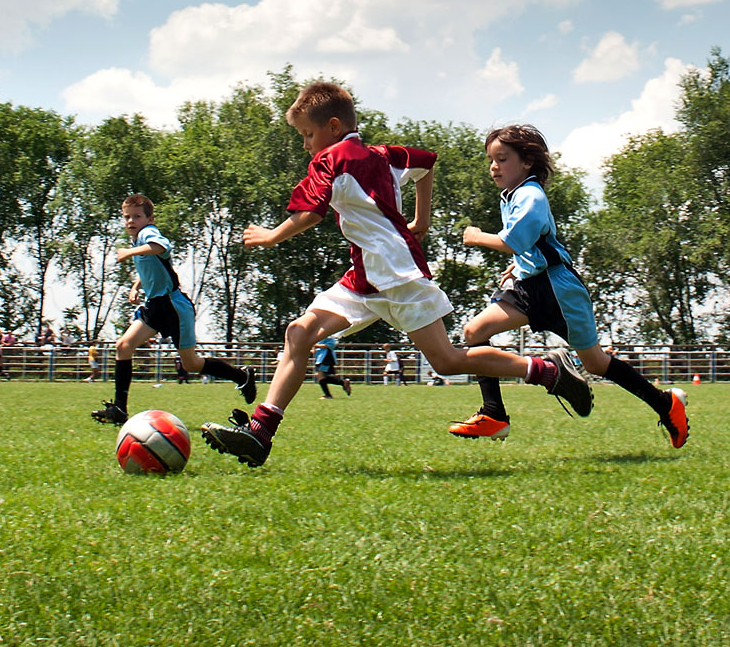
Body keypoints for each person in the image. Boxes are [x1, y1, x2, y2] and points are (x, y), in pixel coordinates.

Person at [200, 81, 592, 467]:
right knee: (299, 333)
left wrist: (272, 236)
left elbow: (311, 212)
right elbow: (425, 163)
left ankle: (545, 370)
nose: (305, 144)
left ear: (333, 128)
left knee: (448, 362)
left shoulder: (330, 160)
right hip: (364, 278)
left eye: (307, 134)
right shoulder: (384, 155)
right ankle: (260, 433)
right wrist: (422, 218)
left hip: (400, 277)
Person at [448, 124, 689, 446]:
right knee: (474, 333)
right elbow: (535, 244)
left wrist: (476, 237)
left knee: (596, 363)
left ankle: (665, 403)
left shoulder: (530, 195)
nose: (494, 166)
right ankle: (494, 414)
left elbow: (516, 240)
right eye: (491, 160)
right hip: (530, 285)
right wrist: (518, 266)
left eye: (502, 159)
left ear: (527, 162)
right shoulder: (513, 195)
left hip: (558, 290)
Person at [90, 194, 256, 424]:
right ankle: (119, 408)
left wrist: (129, 253)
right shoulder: (138, 241)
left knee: (191, 364)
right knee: (124, 346)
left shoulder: (147, 234)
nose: (130, 221)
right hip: (155, 306)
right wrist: (136, 285)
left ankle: (241, 376)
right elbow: (155, 266)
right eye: (127, 217)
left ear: (150, 218)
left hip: (173, 307)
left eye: (137, 216)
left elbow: (161, 247)